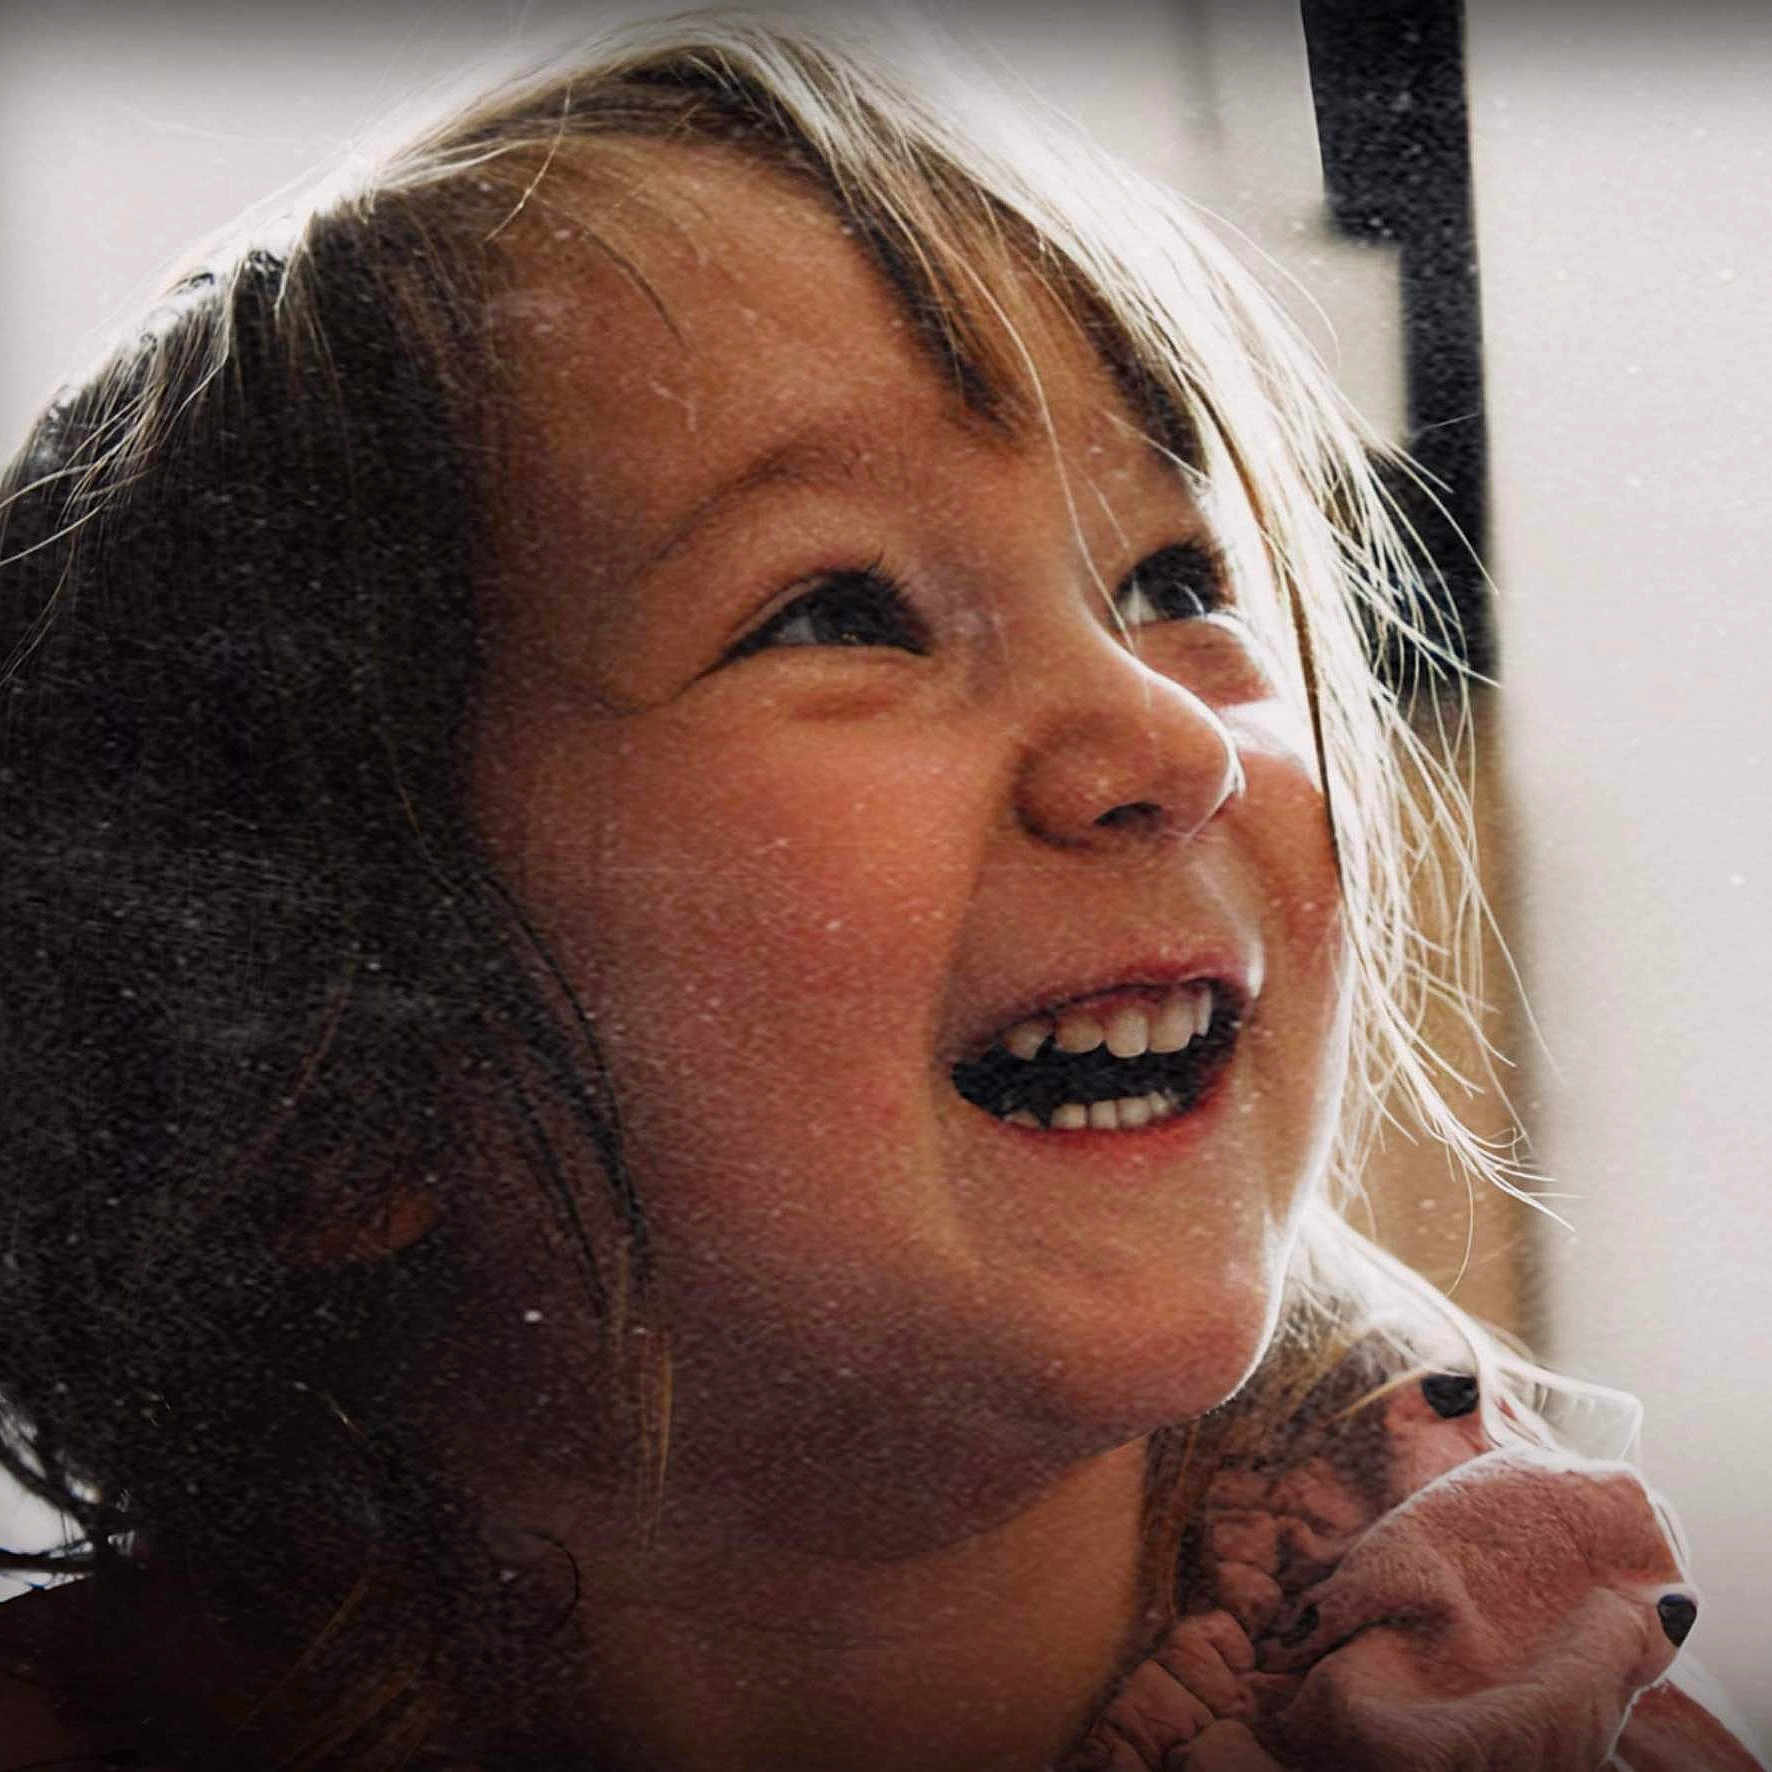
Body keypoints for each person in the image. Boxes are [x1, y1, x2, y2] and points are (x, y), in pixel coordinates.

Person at [0, 10, 1759, 1770]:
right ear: (334, 1084)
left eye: (1170, 575)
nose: (1165, 738)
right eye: (841, 609)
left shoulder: (1512, 1699)